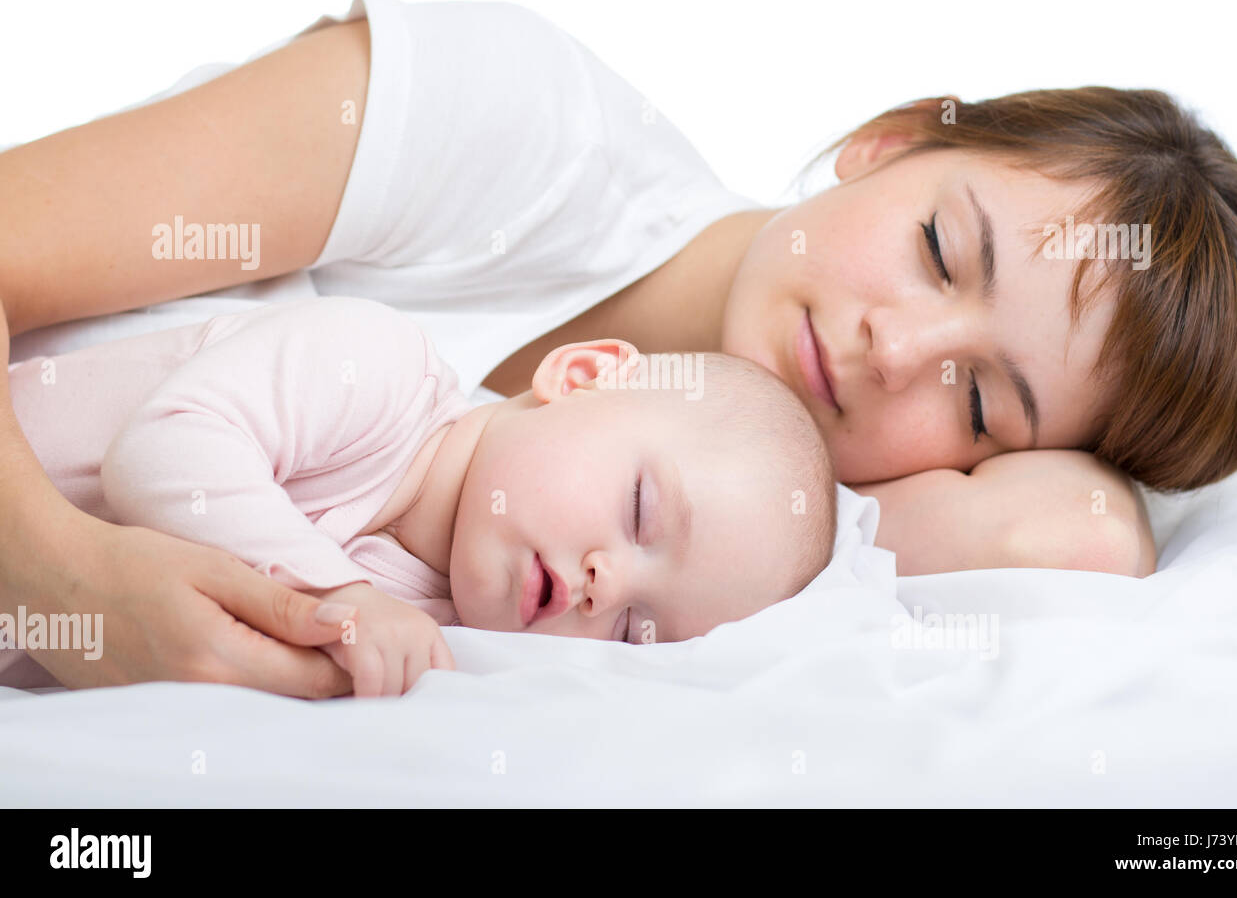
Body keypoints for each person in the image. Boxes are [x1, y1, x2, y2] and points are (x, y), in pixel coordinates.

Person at [0, 0, 1237, 696]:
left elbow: (1077, 537)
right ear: (890, 141)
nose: (897, 350)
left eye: (982, 405)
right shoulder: (513, 123)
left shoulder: (694, 573)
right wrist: (63, 585)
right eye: (942, 249)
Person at [3, 296, 836, 695]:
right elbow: (163, 452)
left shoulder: (437, 635)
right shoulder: (378, 369)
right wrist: (340, 599)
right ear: (581, 377)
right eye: (641, 514)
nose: (605, 584)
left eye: (634, 627)